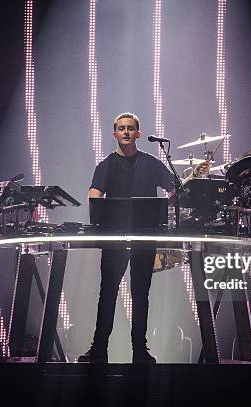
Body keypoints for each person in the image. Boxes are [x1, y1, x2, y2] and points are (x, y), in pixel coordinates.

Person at [78, 112, 174, 364]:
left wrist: (188, 181)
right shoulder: (106, 165)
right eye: (121, 128)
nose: (126, 132)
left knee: (140, 294)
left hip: (145, 236)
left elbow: (175, 189)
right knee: (107, 292)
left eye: (131, 128)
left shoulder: (152, 163)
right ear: (115, 134)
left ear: (138, 134)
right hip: (114, 237)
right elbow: (94, 194)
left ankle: (140, 352)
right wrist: (97, 203)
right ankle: (98, 350)